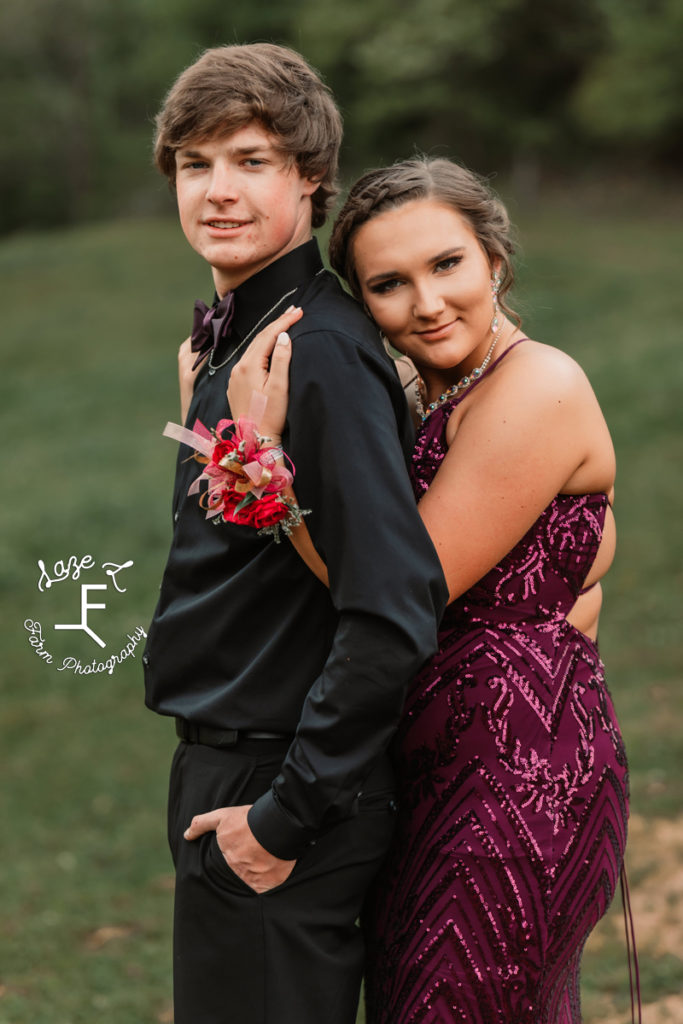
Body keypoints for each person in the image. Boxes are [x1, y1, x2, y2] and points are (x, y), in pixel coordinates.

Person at [227, 157, 630, 1024]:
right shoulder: (425, 394)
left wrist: (258, 466)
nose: (427, 302)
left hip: (518, 776)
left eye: (446, 264)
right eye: (388, 283)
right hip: (432, 767)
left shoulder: (537, 385)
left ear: (493, 255)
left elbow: (403, 587)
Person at [142, 44, 447, 1024]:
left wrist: (283, 816)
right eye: (195, 164)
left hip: (283, 783)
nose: (217, 189)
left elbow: (393, 607)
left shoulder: (312, 350)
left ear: (310, 177)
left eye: (250, 159)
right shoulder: (238, 337)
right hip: (237, 765)